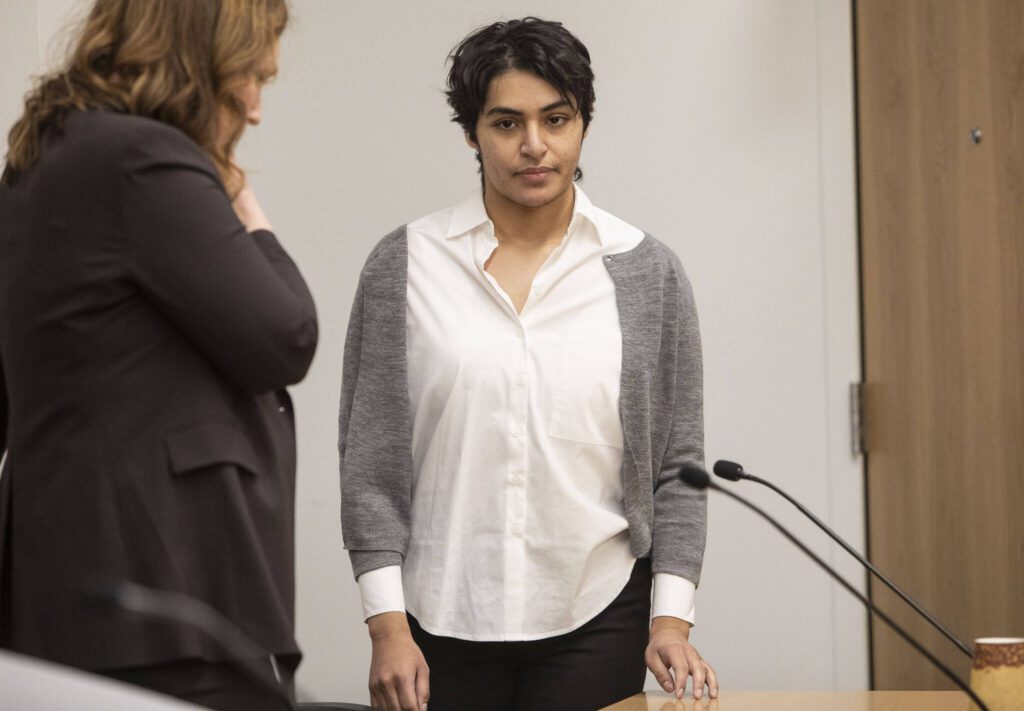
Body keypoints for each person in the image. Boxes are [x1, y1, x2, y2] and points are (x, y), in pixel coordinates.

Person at [339, 17, 717, 711]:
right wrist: (386, 625)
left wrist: (671, 618)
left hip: (598, 610)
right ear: (471, 132)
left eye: (556, 118)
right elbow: (371, 466)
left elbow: (678, 464)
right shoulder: (407, 263)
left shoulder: (646, 271)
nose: (534, 146)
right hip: (438, 619)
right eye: (507, 123)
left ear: (584, 124)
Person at [0, 1, 317, 709]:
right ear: (201, 61)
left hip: (75, 599)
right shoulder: (142, 157)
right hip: (163, 600)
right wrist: (243, 201)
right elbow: (285, 335)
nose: (257, 110)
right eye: (250, 78)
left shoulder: (44, 155)